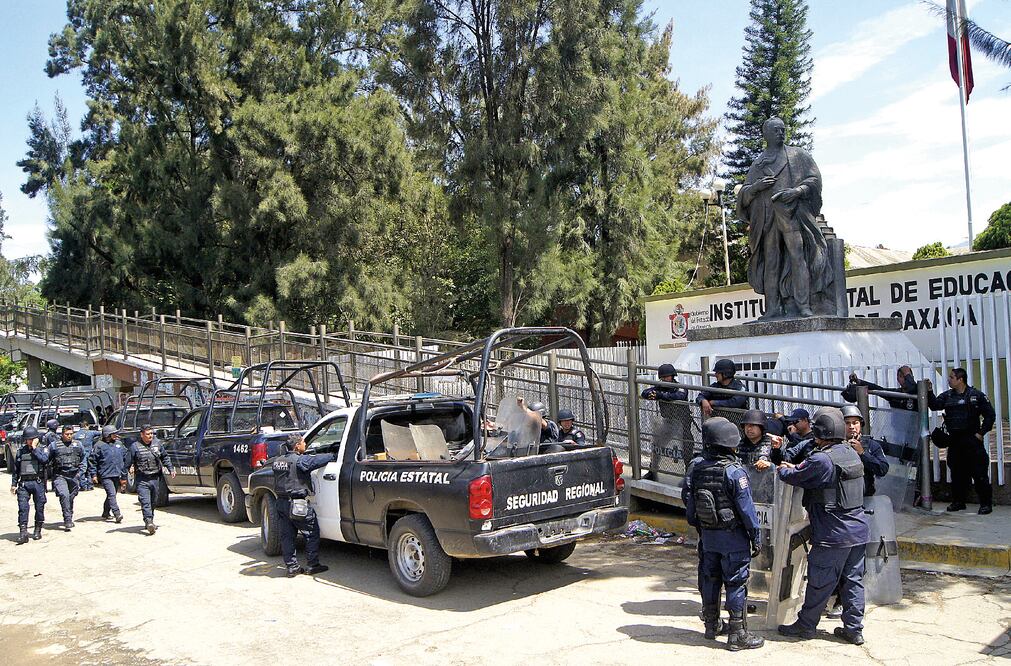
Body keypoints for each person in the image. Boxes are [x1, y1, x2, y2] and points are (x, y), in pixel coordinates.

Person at [777, 408, 868, 645]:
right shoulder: (850, 452)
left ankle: (806, 626)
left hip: (833, 533)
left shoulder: (821, 458)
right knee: (853, 581)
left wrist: (785, 469)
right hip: (858, 530)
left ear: (819, 431)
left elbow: (793, 476)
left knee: (820, 581)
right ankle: (854, 629)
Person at [738, 116, 832, 320]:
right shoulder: (758, 164)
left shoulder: (798, 156)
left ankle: (804, 306)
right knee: (771, 261)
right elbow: (744, 194)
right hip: (767, 217)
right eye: (776, 130)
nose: (781, 133)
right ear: (766, 134)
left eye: (783, 129)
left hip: (791, 214)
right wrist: (756, 187)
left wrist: (797, 191)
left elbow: (814, 180)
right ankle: (772, 308)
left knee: (798, 257)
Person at [682, 417, 764, 651]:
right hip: (733, 538)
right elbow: (746, 509)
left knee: (710, 579)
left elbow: (689, 504)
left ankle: (711, 625)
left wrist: (702, 529)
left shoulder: (697, 466)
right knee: (736, 582)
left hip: (708, 537)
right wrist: (755, 536)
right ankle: (737, 634)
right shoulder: (734, 471)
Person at [928, 367, 996, 514]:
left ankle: (985, 504)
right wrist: (929, 391)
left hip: (971, 440)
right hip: (955, 441)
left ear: (960, 379)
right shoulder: (947, 396)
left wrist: (981, 433)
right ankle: (958, 502)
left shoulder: (976, 396)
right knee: (957, 473)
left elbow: (990, 415)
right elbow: (934, 405)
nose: (949, 380)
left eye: (952, 377)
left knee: (979, 473)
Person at [272, 433, 337, 577]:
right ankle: (313, 565)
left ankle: (292, 568)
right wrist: (333, 455)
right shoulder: (300, 461)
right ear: (296, 446)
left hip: (281, 503)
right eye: (303, 442)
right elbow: (318, 460)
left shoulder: (278, 460)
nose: (305, 445)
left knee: (287, 536)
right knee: (312, 532)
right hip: (297, 504)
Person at [641, 363, 693, 474]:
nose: (664, 379)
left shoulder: (679, 387)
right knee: (657, 445)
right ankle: (653, 469)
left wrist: (660, 395)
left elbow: (679, 395)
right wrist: (652, 394)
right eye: (662, 377)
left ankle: (688, 472)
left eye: (666, 377)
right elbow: (644, 392)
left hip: (682, 422)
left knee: (687, 447)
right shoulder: (660, 387)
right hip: (668, 422)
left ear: (672, 376)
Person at [125, 424, 175, 534]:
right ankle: (148, 521)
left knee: (153, 501)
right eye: (148, 434)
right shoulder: (135, 447)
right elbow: (128, 461)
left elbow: (165, 457)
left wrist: (170, 468)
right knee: (145, 501)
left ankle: (150, 520)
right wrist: (129, 469)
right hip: (142, 479)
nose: (150, 436)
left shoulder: (157, 444)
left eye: (152, 433)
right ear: (142, 435)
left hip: (156, 478)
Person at [11, 426, 50, 544]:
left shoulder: (42, 450)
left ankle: (37, 529)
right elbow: (16, 469)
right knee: (23, 508)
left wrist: (34, 448)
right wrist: (13, 484)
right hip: (24, 483)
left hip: (38, 482)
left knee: (39, 507)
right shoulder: (20, 452)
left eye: (32, 439)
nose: (29, 441)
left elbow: (44, 460)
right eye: (27, 439)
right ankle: (23, 533)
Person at [49, 424, 87, 531]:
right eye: (67, 434)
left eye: (71, 434)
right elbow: (46, 459)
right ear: (62, 434)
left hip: (74, 475)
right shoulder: (54, 446)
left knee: (71, 496)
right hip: (60, 475)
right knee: (64, 495)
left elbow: (84, 458)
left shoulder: (78, 444)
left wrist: (81, 472)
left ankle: (69, 512)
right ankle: (67, 519)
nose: (69, 436)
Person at [90, 425, 129, 523]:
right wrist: (93, 475)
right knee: (111, 494)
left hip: (117, 473)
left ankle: (106, 512)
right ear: (107, 435)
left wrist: (130, 466)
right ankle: (117, 513)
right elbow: (92, 461)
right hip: (105, 475)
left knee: (112, 494)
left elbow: (126, 456)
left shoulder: (119, 444)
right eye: (114, 434)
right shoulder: (99, 446)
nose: (116, 435)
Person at [842, 366, 917, 411]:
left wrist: (907, 375)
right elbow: (878, 389)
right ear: (897, 379)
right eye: (901, 376)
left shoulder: (917, 393)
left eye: (906, 376)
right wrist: (859, 381)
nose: (904, 379)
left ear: (911, 377)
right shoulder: (896, 394)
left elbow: (912, 389)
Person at [74, 423, 100, 491]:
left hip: (80, 455)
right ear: (86, 426)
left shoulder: (75, 435)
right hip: (89, 454)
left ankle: (83, 485)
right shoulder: (91, 433)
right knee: (89, 469)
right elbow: (101, 433)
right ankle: (90, 485)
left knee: (82, 469)